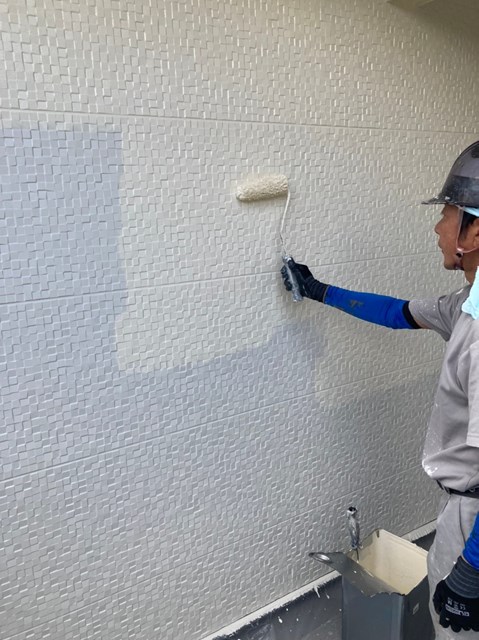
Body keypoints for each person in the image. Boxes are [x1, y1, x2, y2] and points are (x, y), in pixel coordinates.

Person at [281, 141, 479, 639]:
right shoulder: (465, 305)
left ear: (474, 232)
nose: (437, 228)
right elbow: (396, 312)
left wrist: (470, 571)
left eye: (447, 214)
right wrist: (319, 290)